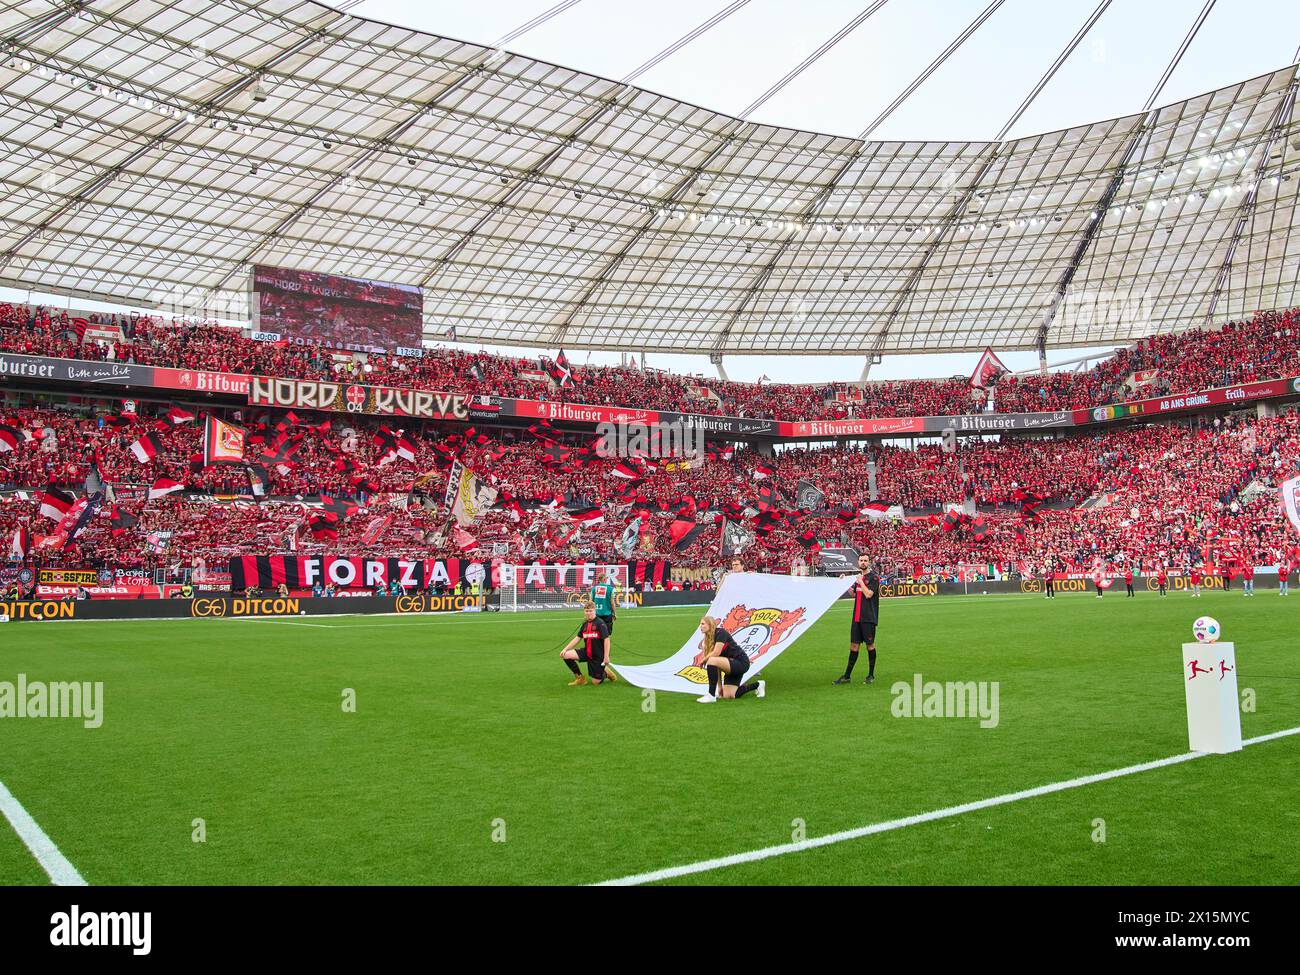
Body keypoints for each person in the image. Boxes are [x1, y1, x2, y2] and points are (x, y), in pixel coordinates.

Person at [693, 615, 763, 703]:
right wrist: (719, 687)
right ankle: (758, 685)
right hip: (730, 666)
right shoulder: (707, 641)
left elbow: (716, 653)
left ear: (710, 625)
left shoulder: (720, 632)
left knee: (711, 660)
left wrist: (704, 660)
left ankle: (711, 695)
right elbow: (715, 666)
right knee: (728, 696)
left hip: (741, 663)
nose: (700, 626)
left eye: (703, 624)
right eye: (700, 624)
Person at [833, 552, 879, 686]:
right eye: (861, 560)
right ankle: (847, 676)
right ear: (858, 562)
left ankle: (871, 675)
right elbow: (853, 593)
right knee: (853, 646)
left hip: (868, 617)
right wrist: (844, 583)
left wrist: (860, 581)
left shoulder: (873, 578)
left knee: (870, 646)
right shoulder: (858, 577)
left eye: (865, 560)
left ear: (869, 562)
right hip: (857, 617)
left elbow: (869, 594)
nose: (863, 562)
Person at [559, 603, 617, 686]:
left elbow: (606, 640)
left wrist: (606, 656)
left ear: (595, 611)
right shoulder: (585, 624)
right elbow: (578, 638)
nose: (588, 613)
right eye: (586, 611)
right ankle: (580, 678)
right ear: (584, 611)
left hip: (598, 656)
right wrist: (565, 649)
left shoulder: (600, 623)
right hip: (587, 652)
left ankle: (606, 673)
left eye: (590, 611)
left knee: (595, 682)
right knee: (565, 655)